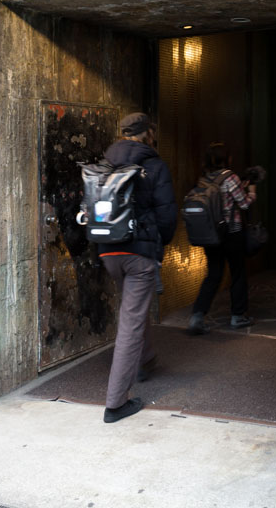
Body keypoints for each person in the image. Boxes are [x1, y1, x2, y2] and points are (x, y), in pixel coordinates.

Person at [97, 112, 177, 423]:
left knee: (134, 306)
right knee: (130, 322)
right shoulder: (154, 164)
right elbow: (167, 214)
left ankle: (145, 359)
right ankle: (116, 403)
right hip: (139, 254)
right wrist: (160, 245)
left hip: (108, 250)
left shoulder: (105, 163)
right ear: (148, 134)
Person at [188, 142, 256, 335]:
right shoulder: (230, 177)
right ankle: (238, 316)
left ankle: (197, 315)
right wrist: (251, 192)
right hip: (232, 233)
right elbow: (243, 204)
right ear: (226, 158)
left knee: (214, 274)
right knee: (237, 273)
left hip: (211, 234)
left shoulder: (203, 179)